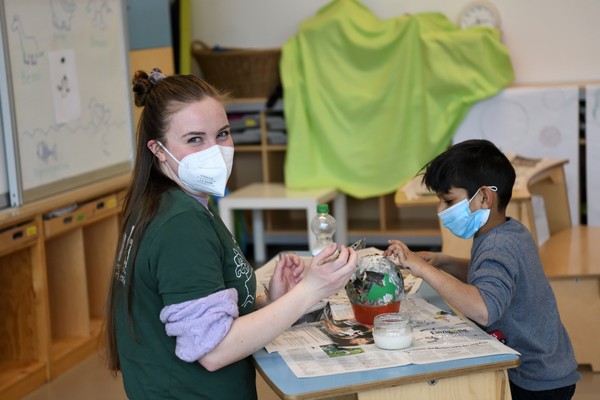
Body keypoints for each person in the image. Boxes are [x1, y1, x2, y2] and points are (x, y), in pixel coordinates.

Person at [104, 68, 358, 399]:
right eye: (195, 139)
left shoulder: (165, 202)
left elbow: (201, 302)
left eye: (222, 134)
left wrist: (271, 301)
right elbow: (214, 350)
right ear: (157, 149)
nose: (216, 150)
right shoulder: (180, 223)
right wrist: (309, 291)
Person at [383, 139, 579, 400]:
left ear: (484, 197)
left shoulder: (498, 243)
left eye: (448, 201)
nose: (440, 210)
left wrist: (421, 269)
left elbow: (484, 309)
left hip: (534, 380)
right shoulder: (508, 230)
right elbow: (493, 279)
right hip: (548, 367)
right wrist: (444, 262)